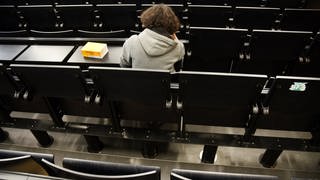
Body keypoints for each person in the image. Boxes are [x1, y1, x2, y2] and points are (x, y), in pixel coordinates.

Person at [120, 4, 185, 72]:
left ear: (148, 19)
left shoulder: (132, 42)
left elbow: (124, 66)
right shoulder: (179, 47)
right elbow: (178, 69)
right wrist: (177, 42)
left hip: (137, 82)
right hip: (163, 82)